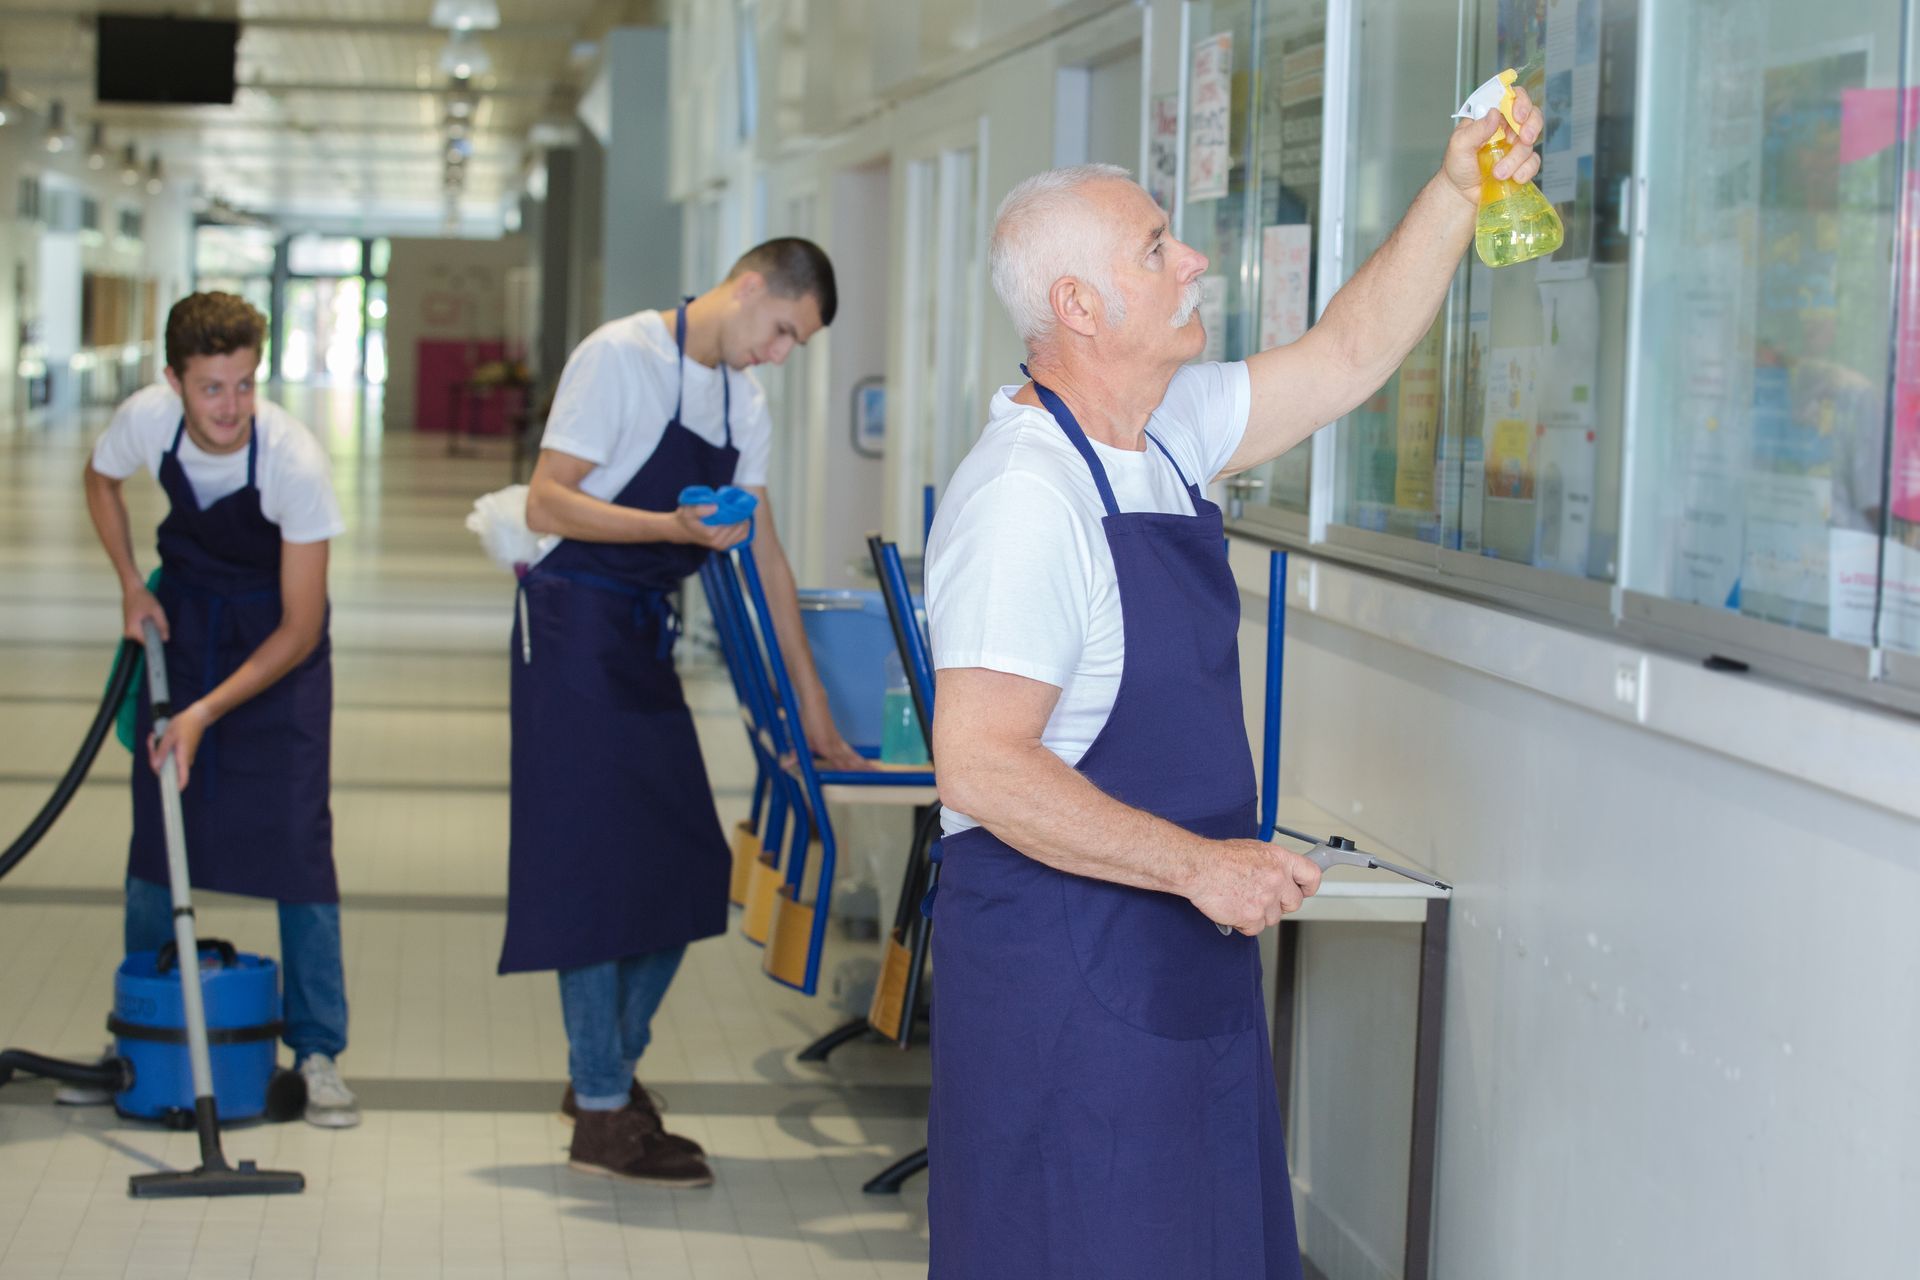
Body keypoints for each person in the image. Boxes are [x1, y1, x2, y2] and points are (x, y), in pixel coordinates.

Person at [924, 95, 1544, 1275]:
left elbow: (1351, 353)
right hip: (1068, 978)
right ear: (1079, 306)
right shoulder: (1026, 499)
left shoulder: (1161, 433)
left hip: (1177, 961)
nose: (1194, 256)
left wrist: (1460, 190)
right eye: (1158, 245)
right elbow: (983, 762)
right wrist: (1201, 864)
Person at [503, 237, 866, 1186]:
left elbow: (767, 557)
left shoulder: (742, 402)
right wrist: (670, 529)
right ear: (749, 288)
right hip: (572, 625)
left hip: (641, 635)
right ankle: (601, 1108)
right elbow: (547, 503)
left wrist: (813, 704)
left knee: (685, 869)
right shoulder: (618, 356)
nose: (781, 354)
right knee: (593, 878)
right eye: (784, 329)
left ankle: (605, 1077)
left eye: (799, 343)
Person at [81, 291, 357, 1128]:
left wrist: (204, 713)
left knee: (298, 840)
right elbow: (99, 479)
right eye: (211, 388)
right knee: (155, 836)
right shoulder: (146, 420)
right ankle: (146, 1028)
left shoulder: (293, 460)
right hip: (186, 625)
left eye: (243, 385)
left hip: (279, 649)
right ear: (174, 380)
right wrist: (132, 584)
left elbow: (303, 623)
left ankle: (316, 1052)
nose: (230, 407)